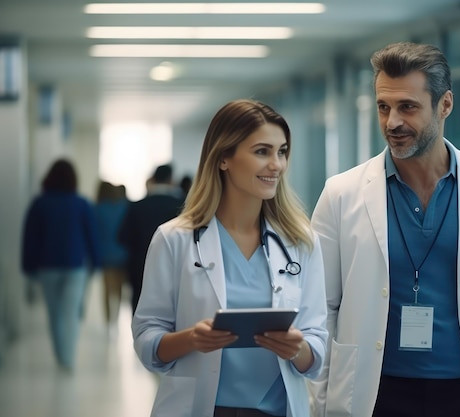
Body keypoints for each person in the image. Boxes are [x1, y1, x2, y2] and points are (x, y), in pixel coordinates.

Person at [308, 42, 460, 417]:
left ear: (445, 105)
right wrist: (321, 404)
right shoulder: (341, 194)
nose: (392, 122)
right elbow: (319, 307)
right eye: (383, 107)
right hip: (374, 396)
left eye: (408, 107)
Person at [131, 99, 328, 417]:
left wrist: (298, 348)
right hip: (200, 407)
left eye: (282, 151)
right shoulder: (174, 239)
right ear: (224, 157)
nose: (276, 164)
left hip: (278, 409)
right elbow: (147, 340)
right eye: (262, 151)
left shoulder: (301, 242)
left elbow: (316, 344)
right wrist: (192, 338)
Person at [21, 158, 101, 371]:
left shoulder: (39, 204)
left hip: (47, 266)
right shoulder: (81, 204)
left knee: (54, 313)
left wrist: (28, 266)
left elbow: (30, 237)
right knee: (70, 312)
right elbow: (91, 236)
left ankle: (61, 355)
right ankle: (67, 357)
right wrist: (96, 261)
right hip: (75, 266)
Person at [118, 163, 185, 313]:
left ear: (154, 179)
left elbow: (123, 237)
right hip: (175, 266)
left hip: (140, 266)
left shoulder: (137, 206)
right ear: (171, 179)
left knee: (141, 310)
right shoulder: (182, 206)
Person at [94, 180, 129, 332]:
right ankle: (115, 319)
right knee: (119, 289)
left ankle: (109, 322)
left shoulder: (98, 209)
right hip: (123, 255)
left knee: (107, 290)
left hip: (106, 255)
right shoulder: (124, 208)